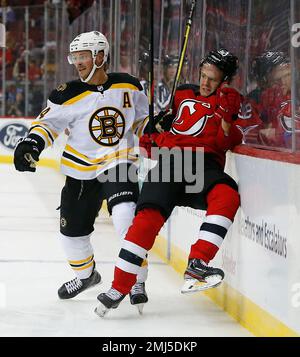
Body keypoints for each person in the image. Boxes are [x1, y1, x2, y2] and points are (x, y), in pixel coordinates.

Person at [95, 48, 243, 316]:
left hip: (204, 165)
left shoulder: (230, 101)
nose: (205, 83)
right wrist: (154, 129)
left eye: (212, 78)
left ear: (225, 81)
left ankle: (197, 263)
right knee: (145, 221)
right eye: (203, 75)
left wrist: (226, 122)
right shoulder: (182, 94)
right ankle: (118, 287)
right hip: (172, 163)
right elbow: (152, 140)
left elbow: (227, 142)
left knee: (227, 195)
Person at [13, 31, 150, 309]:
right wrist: (32, 142)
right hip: (80, 171)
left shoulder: (131, 86)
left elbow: (142, 121)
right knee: (71, 237)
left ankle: (136, 279)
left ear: (100, 56)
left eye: (83, 56)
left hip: (118, 160)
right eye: (74, 57)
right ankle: (86, 276)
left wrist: (158, 126)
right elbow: (47, 124)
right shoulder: (66, 94)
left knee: (126, 217)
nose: (78, 63)